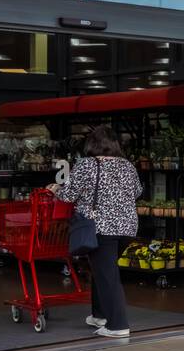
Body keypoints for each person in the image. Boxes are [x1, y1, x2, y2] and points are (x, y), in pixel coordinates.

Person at [57, 125, 142, 338]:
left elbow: (68, 195)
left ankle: (118, 325)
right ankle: (100, 315)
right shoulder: (127, 165)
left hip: (100, 227)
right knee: (103, 271)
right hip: (127, 228)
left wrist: (55, 189)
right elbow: (138, 192)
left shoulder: (86, 165)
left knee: (108, 276)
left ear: (92, 144)